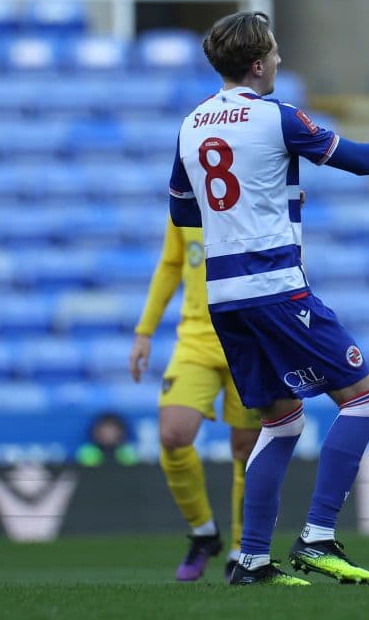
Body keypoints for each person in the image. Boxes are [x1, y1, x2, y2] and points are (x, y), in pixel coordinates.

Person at [167, 11, 369, 587]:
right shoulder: (277, 117)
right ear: (257, 63)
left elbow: (181, 211)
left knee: (281, 424)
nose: (278, 61)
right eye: (273, 53)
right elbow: (366, 160)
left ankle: (250, 561)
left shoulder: (192, 124)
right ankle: (318, 536)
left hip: (223, 295)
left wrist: (240, 209)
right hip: (275, 285)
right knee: (365, 401)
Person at [129, 217, 261, 582]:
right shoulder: (184, 204)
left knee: (246, 452)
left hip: (249, 341)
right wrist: (144, 332)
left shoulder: (250, 193)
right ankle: (204, 532)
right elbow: (171, 263)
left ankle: (242, 549)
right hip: (195, 343)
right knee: (173, 435)